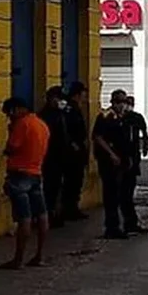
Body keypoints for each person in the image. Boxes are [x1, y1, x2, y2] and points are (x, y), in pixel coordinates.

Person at [0, 97, 51, 270]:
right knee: (42, 215)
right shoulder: (41, 125)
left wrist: (10, 133)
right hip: (36, 173)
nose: (9, 117)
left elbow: (11, 148)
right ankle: (39, 255)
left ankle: (18, 259)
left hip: (19, 174)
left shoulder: (22, 124)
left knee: (24, 218)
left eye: (9, 113)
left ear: (17, 109)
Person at [91, 89, 133, 239]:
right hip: (108, 161)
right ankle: (112, 227)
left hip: (121, 160)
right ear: (113, 102)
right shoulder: (105, 117)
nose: (121, 105)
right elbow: (97, 137)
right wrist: (111, 154)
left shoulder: (122, 118)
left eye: (123, 102)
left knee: (120, 193)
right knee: (111, 195)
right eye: (118, 102)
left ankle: (121, 224)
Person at [38, 86, 69, 228]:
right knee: (49, 188)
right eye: (58, 98)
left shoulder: (61, 114)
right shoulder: (45, 116)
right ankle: (48, 215)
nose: (61, 101)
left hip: (60, 157)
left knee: (57, 187)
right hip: (49, 157)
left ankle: (55, 214)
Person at [121, 96, 148, 234]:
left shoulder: (136, 117)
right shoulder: (117, 118)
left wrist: (145, 147)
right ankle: (127, 222)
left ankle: (129, 222)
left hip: (133, 158)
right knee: (124, 193)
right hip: (122, 159)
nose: (127, 106)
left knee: (128, 191)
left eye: (129, 104)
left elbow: (144, 133)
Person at [62, 81, 89, 221]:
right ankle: (69, 209)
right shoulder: (69, 109)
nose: (85, 97)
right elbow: (66, 130)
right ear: (78, 94)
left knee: (76, 181)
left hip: (78, 150)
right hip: (72, 152)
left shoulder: (75, 108)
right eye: (83, 94)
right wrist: (73, 144)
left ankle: (73, 208)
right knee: (71, 182)